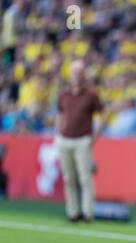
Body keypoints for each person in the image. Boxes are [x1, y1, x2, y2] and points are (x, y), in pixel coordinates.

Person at [55, 60, 106, 223]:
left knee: (85, 178)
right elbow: (59, 114)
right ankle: (72, 212)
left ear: (84, 75)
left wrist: (95, 136)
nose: (77, 75)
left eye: (80, 72)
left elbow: (102, 115)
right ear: (70, 75)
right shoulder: (64, 94)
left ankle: (87, 213)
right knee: (69, 178)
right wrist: (58, 132)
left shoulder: (91, 95)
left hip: (82, 139)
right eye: (75, 72)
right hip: (64, 139)